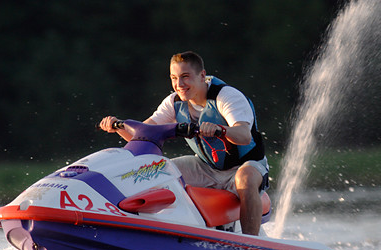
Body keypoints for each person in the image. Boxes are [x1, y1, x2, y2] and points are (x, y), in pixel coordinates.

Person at [100, 51, 269, 235]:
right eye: (174, 78)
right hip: (206, 167)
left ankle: (251, 245)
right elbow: (143, 135)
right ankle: (140, 229)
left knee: (245, 178)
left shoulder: (227, 96)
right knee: (156, 171)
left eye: (185, 77)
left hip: (246, 165)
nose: (179, 85)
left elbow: (244, 135)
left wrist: (220, 130)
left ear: (202, 75)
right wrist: (118, 126)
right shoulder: (173, 101)